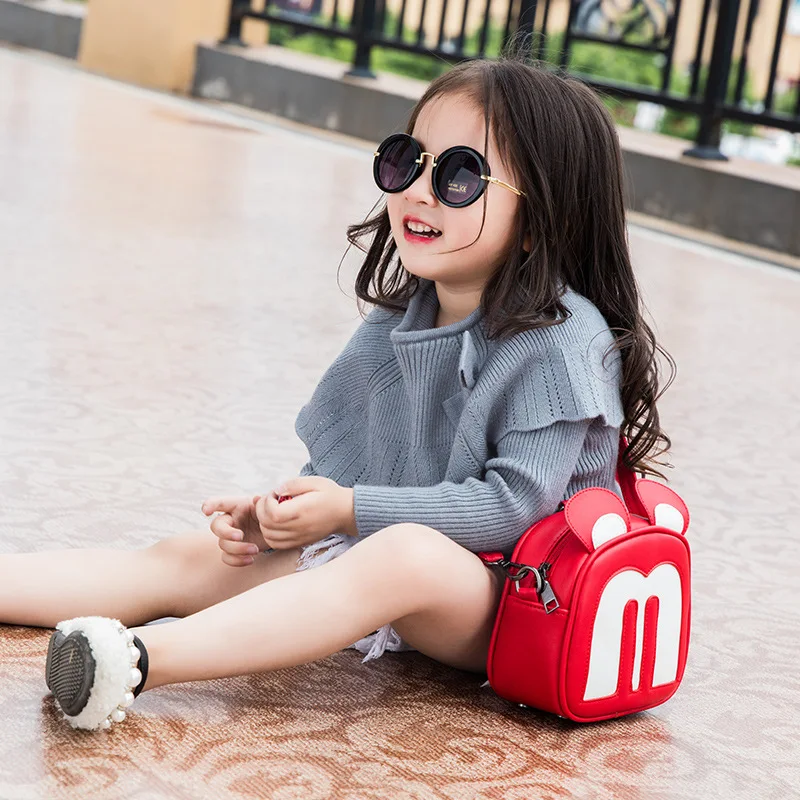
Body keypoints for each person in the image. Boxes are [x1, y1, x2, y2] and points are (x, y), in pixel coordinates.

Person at [5, 50, 675, 731]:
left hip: (520, 601)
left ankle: (132, 663)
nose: (418, 192)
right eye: (407, 161)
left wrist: (350, 510)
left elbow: (511, 509)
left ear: (539, 220)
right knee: (188, 558)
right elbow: (356, 471)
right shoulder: (406, 314)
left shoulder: (562, 341)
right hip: (392, 565)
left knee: (403, 556)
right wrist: (285, 513)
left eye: (460, 176)